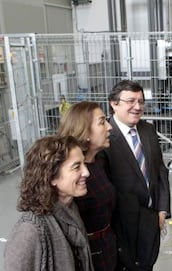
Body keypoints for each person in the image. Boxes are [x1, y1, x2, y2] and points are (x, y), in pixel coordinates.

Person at [99, 80, 171, 271]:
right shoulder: (104, 137)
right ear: (114, 103)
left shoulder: (148, 130)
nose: (137, 107)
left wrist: (162, 210)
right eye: (131, 101)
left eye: (141, 101)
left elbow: (160, 171)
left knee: (146, 264)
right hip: (121, 224)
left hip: (150, 219)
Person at [4, 135, 94, 271]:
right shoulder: (29, 231)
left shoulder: (71, 209)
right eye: (77, 167)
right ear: (51, 176)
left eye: (84, 164)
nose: (86, 172)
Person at [58, 101, 117, 271]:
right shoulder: (70, 176)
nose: (109, 127)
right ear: (85, 132)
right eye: (102, 122)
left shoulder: (99, 161)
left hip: (107, 249)